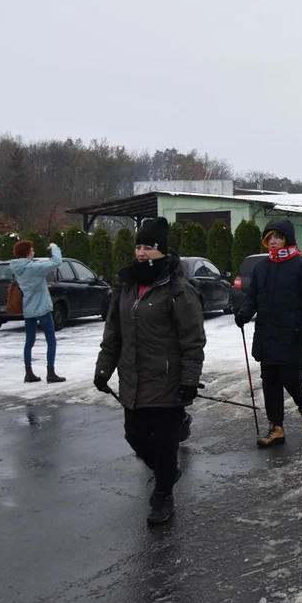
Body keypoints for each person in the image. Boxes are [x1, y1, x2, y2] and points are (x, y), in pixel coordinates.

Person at [94, 217, 206, 525]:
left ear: (162, 251)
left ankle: (163, 496)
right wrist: (104, 368)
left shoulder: (178, 290)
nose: (141, 253)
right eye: (138, 246)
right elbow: (113, 332)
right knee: (135, 437)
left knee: (165, 443)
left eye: (148, 247)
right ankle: (168, 472)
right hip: (133, 380)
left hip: (167, 382)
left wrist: (189, 381)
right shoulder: (126, 284)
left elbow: (193, 341)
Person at [235, 219, 302, 447]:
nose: (273, 242)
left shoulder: (301, 265)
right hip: (267, 334)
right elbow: (253, 297)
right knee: (270, 381)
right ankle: (276, 427)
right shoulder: (261, 267)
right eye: (269, 237)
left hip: (293, 334)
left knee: (291, 379)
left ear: (287, 239)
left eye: (277, 237)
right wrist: (244, 313)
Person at [10, 239, 66, 384]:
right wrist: (54, 247)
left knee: (29, 342)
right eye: (32, 250)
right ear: (28, 253)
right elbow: (56, 262)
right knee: (51, 340)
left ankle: (28, 372)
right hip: (42, 307)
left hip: (28, 307)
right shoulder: (34, 268)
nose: (34, 252)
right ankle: (50, 372)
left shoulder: (17, 268)